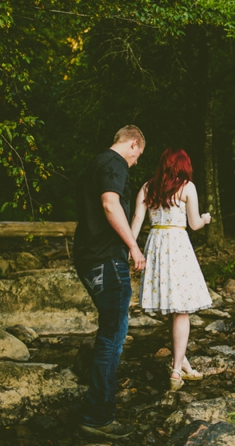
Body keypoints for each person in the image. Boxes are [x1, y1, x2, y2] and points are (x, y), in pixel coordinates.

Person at [73, 125, 146, 439]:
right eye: (138, 156)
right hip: (104, 257)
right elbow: (109, 203)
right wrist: (133, 246)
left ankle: (96, 405)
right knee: (114, 334)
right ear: (133, 144)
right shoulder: (114, 163)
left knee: (111, 330)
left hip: (90, 256)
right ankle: (97, 416)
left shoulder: (95, 164)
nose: (135, 163)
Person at [130, 148, 213, 391]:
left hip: (156, 245)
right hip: (177, 245)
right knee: (182, 309)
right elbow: (195, 224)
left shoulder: (148, 187)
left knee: (172, 307)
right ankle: (176, 371)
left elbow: (136, 219)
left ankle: (182, 360)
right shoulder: (187, 187)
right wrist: (206, 219)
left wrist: (132, 248)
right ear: (183, 165)